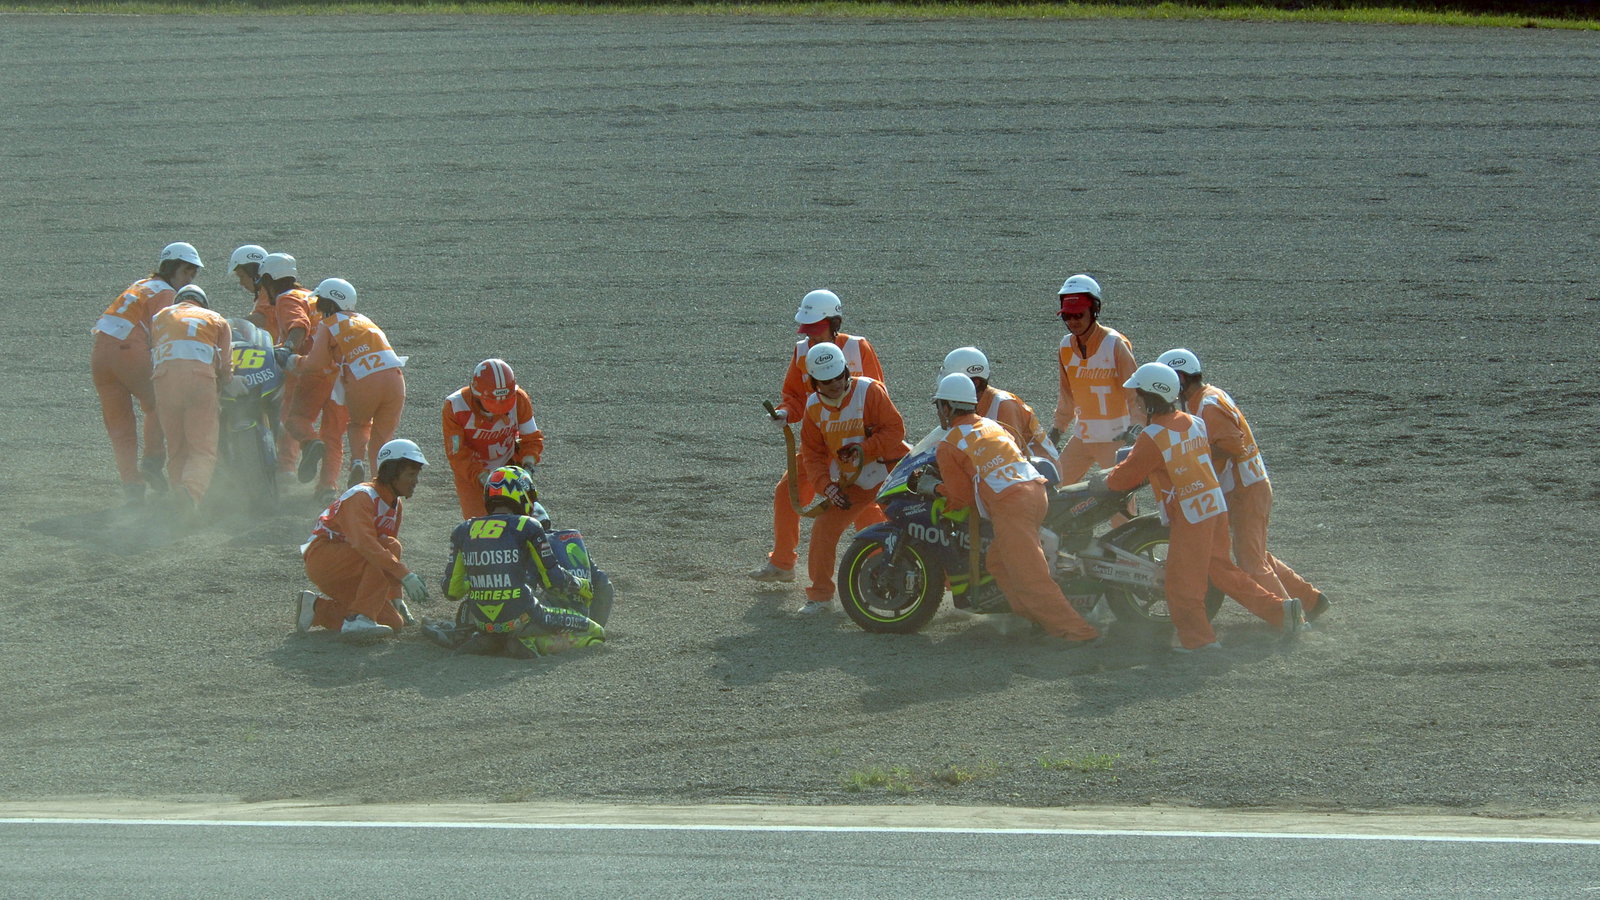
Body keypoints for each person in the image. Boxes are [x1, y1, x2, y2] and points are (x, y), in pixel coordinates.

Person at [1102, 363, 1305, 652]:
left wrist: (1104, 480)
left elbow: (1124, 478)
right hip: (1213, 506)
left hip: (1190, 513)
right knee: (1221, 570)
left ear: (1150, 396)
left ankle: (1198, 641)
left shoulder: (1152, 437)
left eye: (1138, 394)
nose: (1135, 399)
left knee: (1182, 583)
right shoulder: (1192, 421)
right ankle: (1281, 611)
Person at [917, 373, 1101, 645]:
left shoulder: (949, 444)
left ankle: (1079, 633)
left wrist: (932, 488)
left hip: (1011, 504)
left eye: (939, 406)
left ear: (947, 407)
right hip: (1035, 492)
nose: (939, 412)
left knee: (1030, 578)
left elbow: (961, 498)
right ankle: (1038, 618)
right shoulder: (992, 425)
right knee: (997, 563)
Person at [1158, 348, 1329, 622]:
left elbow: (1229, 445)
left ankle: (1291, 620)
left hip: (1244, 490)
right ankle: (1311, 600)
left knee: (1252, 562)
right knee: (1253, 553)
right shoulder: (1208, 397)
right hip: (1249, 485)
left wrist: (1191, 458)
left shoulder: (1208, 405)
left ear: (1180, 379)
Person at [751, 289, 887, 584]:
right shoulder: (802, 352)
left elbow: (879, 399)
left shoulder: (858, 348)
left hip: (855, 447)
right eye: (808, 331)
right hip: (819, 447)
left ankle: (885, 565)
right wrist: (785, 413)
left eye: (817, 329)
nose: (811, 336)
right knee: (787, 494)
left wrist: (870, 445)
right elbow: (794, 396)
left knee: (863, 507)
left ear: (834, 323)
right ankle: (783, 562)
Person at [427, 465, 606, 658]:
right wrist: (581, 585)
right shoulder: (527, 525)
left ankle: (491, 641)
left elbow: (452, 592)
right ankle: (530, 643)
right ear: (521, 494)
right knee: (595, 634)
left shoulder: (463, 530)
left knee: (490, 623)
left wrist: (481, 578)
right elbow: (553, 581)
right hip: (525, 617)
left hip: (483, 623)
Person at [796, 341, 906, 614]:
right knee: (823, 528)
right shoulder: (812, 408)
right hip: (852, 483)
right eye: (826, 381)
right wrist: (826, 487)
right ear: (813, 382)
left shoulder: (870, 391)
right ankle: (820, 597)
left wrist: (863, 450)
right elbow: (812, 455)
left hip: (891, 474)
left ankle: (948, 588)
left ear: (846, 371)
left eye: (839, 377)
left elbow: (895, 430)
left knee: (917, 526)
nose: (835, 384)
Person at [92, 241, 201, 503]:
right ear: (172, 268)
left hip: (100, 356)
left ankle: (132, 486)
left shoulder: (141, 285)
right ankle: (153, 459)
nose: (187, 279)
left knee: (119, 427)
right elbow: (168, 333)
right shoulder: (166, 293)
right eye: (186, 272)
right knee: (160, 403)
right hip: (130, 352)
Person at [295, 438, 431, 643]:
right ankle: (361, 618)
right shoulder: (362, 496)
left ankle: (315, 609)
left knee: (393, 623)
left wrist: (396, 596)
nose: (416, 481)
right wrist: (404, 575)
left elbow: (380, 554)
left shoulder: (394, 504)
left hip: (351, 566)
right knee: (389, 546)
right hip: (324, 559)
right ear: (392, 472)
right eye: (411, 474)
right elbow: (367, 545)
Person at [285, 277, 406, 489]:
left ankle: (356, 462)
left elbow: (316, 363)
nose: (319, 309)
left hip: (364, 380)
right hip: (395, 379)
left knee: (358, 424)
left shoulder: (330, 324)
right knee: (382, 439)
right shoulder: (365, 320)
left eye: (321, 303)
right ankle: (383, 489)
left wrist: (293, 361)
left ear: (332, 303)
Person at [149, 283, 233, 521]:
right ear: (203, 303)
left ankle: (178, 501)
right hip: (199, 380)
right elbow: (225, 364)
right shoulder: (215, 319)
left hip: (164, 381)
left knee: (176, 447)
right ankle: (190, 492)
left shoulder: (160, 317)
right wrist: (223, 381)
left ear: (178, 301)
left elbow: (154, 348)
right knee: (202, 449)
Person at [1049, 274, 1142, 484]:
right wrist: (1057, 429)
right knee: (1055, 490)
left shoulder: (1115, 344)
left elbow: (1135, 393)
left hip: (1115, 439)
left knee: (1120, 503)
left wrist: (1136, 428)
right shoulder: (1065, 347)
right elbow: (1067, 395)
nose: (1073, 321)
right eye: (1067, 316)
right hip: (1083, 437)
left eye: (1079, 315)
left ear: (1094, 310)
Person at [442, 358, 545, 519]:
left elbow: (531, 440)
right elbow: (458, 455)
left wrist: (528, 469)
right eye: (492, 405)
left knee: (527, 522)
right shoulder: (454, 407)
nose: (498, 412)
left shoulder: (519, 399)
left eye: (504, 405)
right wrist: (484, 479)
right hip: (473, 478)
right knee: (480, 527)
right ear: (476, 396)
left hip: (511, 471)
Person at [248, 252, 318, 482]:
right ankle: (327, 479)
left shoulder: (286, 298)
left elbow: (299, 326)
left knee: (288, 415)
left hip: (303, 364)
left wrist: (287, 349)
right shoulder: (309, 295)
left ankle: (288, 466)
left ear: (269, 280)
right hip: (331, 364)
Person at [940, 346, 1056, 464]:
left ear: (975, 383)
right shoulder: (965, 405)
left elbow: (1010, 453)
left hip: (1040, 470)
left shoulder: (1004, 405)